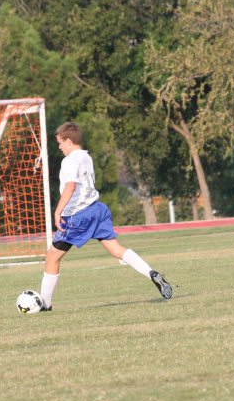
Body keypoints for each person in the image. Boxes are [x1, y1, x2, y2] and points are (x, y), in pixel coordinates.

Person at [38, 122, 172, 310]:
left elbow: (70, 186)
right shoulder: (86, 157)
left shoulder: (69, 161)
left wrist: (58, 211)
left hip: (78, 215)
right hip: (97, 209)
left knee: (52, 256)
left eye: (60, 143)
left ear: (68, 141)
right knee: (116, 249)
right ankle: (151, 273)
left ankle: (45, 304)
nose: (59, 147)